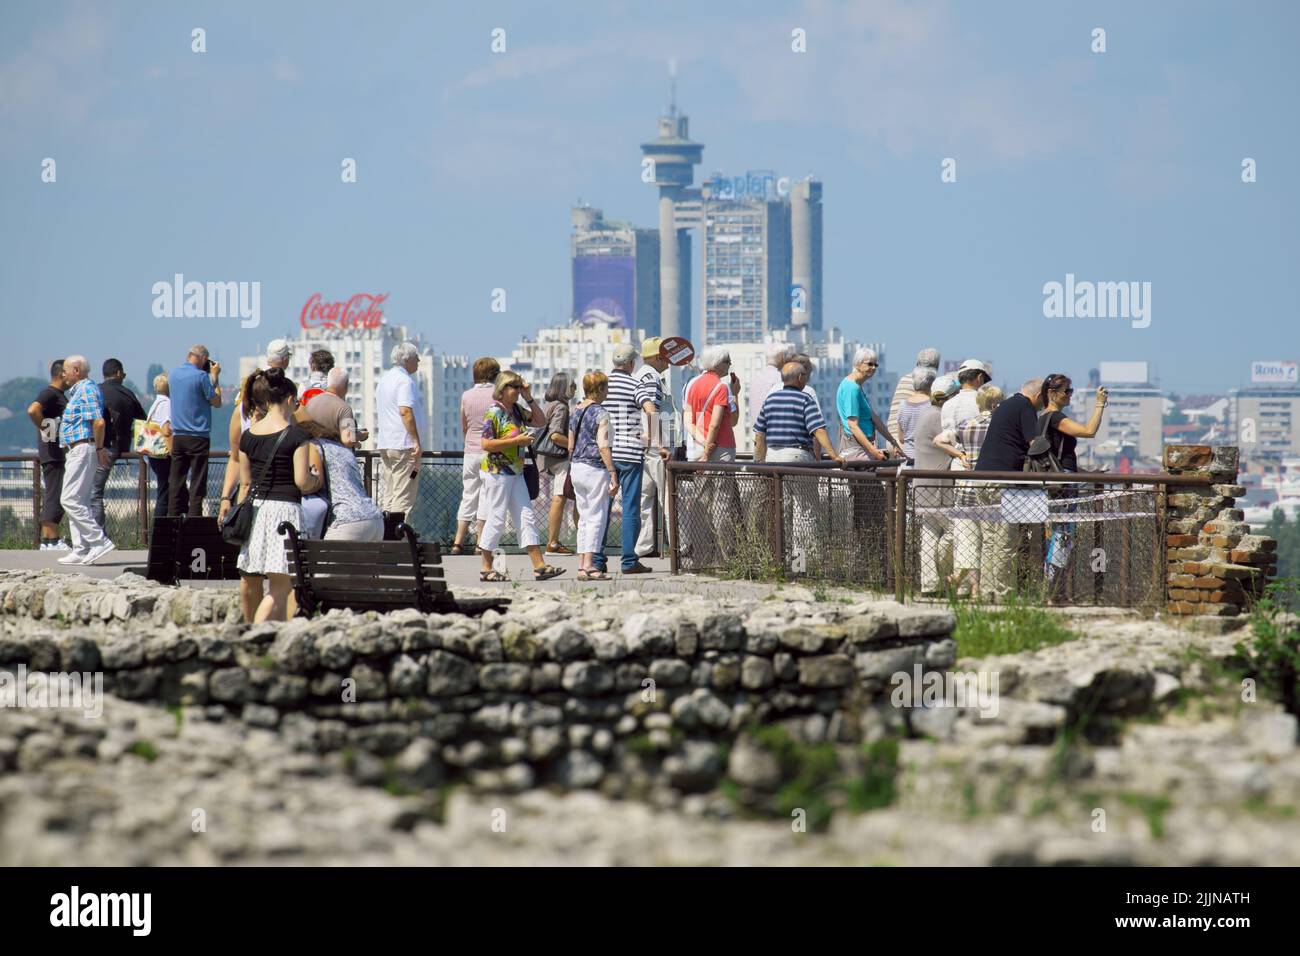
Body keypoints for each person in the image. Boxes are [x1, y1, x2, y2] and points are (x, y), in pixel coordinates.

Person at [232, 368, 322, 622]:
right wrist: (315, 478)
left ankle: (272, 637)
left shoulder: (248, 436)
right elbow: (302, 481)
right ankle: (254, 634)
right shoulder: (296, 436)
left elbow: (246, 483)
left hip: (257, 512)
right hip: (285, 513)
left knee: (271, 584)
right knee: (281, 587)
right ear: (289, 399)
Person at [477, 371, 565, 582]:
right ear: (502, 389)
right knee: (496, 518)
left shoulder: (516, 409)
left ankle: (540, 566)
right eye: (513, 387)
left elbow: (540, 420)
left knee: (526, 516)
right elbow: (486, 444)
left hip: (515, 472)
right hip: (497, 472)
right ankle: (486, 567)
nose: (517, 390)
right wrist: (516, 442)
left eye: (518, 387)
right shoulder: (494, 412)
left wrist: (529, 397)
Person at [753, 362, 842, 564]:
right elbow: (818, 430)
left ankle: (780, 560)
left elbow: (759, 433)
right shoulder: (805, 399)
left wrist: (760, 461)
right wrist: (833, 455)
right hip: (798, 458)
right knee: (805, 513)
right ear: (800, 378)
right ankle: (803, 564)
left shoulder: (771, 399)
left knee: (781, 512)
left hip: (773, 459)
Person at [973, 378, 1045, 600]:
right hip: (1003, 479)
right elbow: (1035, 443)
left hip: (981, 477)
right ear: (1038, 396)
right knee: (1005, 541)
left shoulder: (1005, 406)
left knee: (990, 540)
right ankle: (1004, 594)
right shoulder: (1025, 407)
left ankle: (987, 592)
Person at [1039, 374, 1109, 594]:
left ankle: (1053, 586)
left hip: (1055, 480)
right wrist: (1100, 405)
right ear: (1052, 393)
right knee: (1063, 532)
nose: (1070, 395)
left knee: (1058, 533)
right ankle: (1052, 587)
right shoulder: (1054, 417)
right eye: (1067, 391)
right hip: (1064, 483)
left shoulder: (1041, 419)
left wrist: (1087, 472)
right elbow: (1088, 431)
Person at [594, 343, 656, 576]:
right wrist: (652, 438)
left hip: (605, 453)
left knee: (603, 508)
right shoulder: (635, 383)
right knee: (630, 508)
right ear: (631, 364)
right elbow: (651, 410)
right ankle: (629, 561)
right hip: (630, 453)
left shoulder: (603, 385)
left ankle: (598, 559)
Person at [219, 340, 289, 521]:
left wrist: (226, 497)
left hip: (255, 498)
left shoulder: (241, 413)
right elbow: (235, 459)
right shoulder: (283, 416)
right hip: (272, 498)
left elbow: (235, 459)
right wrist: (226, 497)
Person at [55, 356, 115, 565]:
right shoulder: (79, 391)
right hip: (78, 448)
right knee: (78, 500)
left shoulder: (87, 389)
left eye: (65, 370)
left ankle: (98, 541)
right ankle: (81, 548)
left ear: (77, 370)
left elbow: (98, 422)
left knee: (69, 499)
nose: (63, 374)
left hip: (82, 447)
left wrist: (99, 448)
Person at [949, 384, 1004, 598]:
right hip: (990, 487)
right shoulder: (999, 427)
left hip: (967, 487)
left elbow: (941, 440)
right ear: (994, 404)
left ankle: (973, 588)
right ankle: (989, 587)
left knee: (970, 541)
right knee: (991, 540)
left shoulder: (965, 426)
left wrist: (960, 455)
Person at [912, 374, 961, 595]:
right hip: (939, 486)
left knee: (929, 535)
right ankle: (943, 573)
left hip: (922, 484)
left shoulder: (925, 413)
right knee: (954, 531)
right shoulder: (940, 418)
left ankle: (930, 584)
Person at [567, 371, 617, 581]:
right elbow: (603, 446)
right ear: (599, 389)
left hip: (576, 467)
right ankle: (590, 565)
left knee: (585, 518)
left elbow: (570, 444)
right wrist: (613, 472)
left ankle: (581, 565)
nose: (607, 391)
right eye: (605, 387)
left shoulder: (575, 410)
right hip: (595, 469)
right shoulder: (601, 413)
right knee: (597, 517)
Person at [452, 357, 504, 554]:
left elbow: (464, 424)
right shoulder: (497, 395)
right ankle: (480, 541)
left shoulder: (466, 395)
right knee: (486, 496)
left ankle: (458, 541)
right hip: (489, 451)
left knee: (468, 494)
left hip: (470, 451)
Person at [376, 341, 425, 539]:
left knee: (390, 494)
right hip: (404, 445)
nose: (419, 361)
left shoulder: (385, 379)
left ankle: (385, 536)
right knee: (404, 496)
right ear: (407, 360)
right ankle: (398, 539)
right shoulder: (405, 381)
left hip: (387, 443)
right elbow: (405, 411)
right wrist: (415, 441)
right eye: (416, 357)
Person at [91, 358, 146, 531]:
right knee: (95, 493)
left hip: (99, 446)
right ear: (118, 373)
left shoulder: (97, 391)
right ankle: (97, 537)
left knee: (93, 493)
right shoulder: (128, 393)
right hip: (119, 447)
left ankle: (97, 537)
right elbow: (142, 419)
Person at [167, 344, 222, 517]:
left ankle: (172, 521)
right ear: (203, 358)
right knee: (197, 484)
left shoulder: (173, 374)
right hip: (198, 436)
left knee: (176, 482)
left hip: (178, 436)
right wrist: (215, 377)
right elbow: (216, 401)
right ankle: (194, 523)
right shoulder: (201, 376)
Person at [633, 337, 672, 560]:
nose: (669, 359)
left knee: (645, 498)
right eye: (666, 355)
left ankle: (644, 546)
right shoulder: (652, 377)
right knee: (668, 496)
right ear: (658, 356)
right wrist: (660, 443)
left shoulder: (640, 374)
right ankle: (680, 548)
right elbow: (652, 411)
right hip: (655, 446)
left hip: (643, 444)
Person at [27, 360, 68, 550]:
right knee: (54, 494)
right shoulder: (50, 393)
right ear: (61, 374)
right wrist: (46, 427)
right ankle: (51, 540)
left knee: (55, 493)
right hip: (53, 452)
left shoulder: (56, 394)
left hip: (54, 451)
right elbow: (33, 410)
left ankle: (48, 539)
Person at [836, 347, 903, 461]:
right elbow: (852, 425)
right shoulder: (851, 388)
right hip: (856, 448)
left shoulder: (858, 386)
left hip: (864, 447)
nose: (873, 368)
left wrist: (893, 442)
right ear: (857, 364)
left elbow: (874, 419)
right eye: (869, 364)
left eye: (875, 365)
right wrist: (874, 452)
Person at [539, 372, 577, 555]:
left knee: (564, 496)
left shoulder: (550, 405)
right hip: (559, 458)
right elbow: (554, 434)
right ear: (564, 388)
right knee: (560, 497)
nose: (575, 388)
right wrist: (574, 444)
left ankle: (554, 542)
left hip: (548, 458)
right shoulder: (561, 407)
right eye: (572, 385)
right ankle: (553, 542)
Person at [887, 347, 941, 441]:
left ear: (917, 364)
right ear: (937, 366)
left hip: (891, 438)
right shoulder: (934, 382)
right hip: (908, 442)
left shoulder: (904, 379)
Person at [143, 373, 173, 520]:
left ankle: (158, 529)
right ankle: (161, 527)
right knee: (165, 491)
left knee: (164, 489)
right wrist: (174, 452)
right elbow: (166, 430)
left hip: (153, 453)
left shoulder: (155, 404)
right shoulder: (167, 404)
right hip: (163, 455)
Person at [748, 342, 796, 433]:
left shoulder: (755, 379)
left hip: (757, 433)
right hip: (775, 433)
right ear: (782, 357)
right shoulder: (780, 379)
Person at [941, 359, 992, 444]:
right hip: (977, 454)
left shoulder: (947, 404)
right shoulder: (984, 402)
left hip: (954, 455)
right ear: (979, 378)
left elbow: (946, 437)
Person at [896, 365, 936, 465]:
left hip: (908, 461)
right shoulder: (932, 405)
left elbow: (901, 438)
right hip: (928, 460)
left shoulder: (902, 405)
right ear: (931, 384)